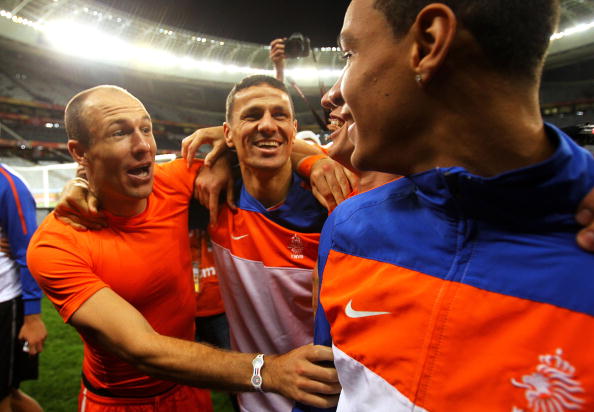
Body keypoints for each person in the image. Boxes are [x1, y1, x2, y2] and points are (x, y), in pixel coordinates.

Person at [311, 1, 594, 411]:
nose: (332, 93)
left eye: (349, 54)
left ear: (428, 43)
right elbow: (324, 392)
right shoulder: (349, 229)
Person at [27, 85, 339, 412]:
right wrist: (267, 370)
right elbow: (141, 348)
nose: (143, 145)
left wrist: (314, 162)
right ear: (79, 153)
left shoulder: (175, 181)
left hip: (190, 390)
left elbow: (261, 147)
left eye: (146, 129)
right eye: (120, 133)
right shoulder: (56, 243)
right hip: (119, 402)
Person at [0, 164, 46, 412]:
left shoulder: (9, 184)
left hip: (4, 305)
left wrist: (33, 317)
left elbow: (28, 252)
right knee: (11, 395)